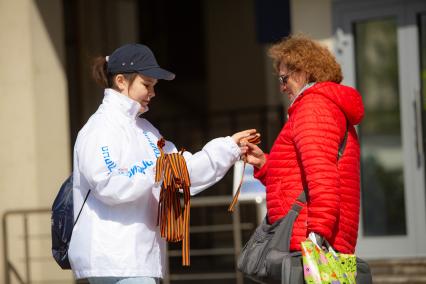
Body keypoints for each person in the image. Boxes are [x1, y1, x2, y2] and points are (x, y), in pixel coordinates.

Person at [67, 43, 256, 284]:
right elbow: (108, 184)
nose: (152, 93)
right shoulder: (100, 128)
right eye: (147, 85)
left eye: (153, 87)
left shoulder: (146, 130)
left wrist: (229, 148)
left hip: (139, 259)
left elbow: (183, 170)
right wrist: (158, 171)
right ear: (121, 81)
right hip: (114, 257)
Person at [243, 34, 364, 255]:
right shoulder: (323, 107)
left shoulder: (313, 108)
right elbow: (298, 178)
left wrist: (317, 237)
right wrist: (264, 164)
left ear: (304, 71)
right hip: (314, 238)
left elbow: (322, 178)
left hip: (311, 243)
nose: (282, 88)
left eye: (284, 79)